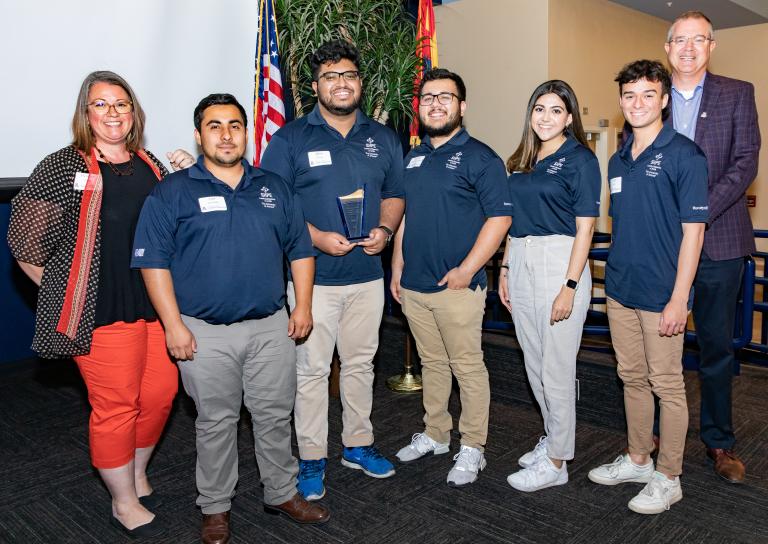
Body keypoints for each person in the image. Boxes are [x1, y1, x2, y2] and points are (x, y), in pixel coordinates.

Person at [131, 94, 329, 543]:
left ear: (246, 132)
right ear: (198, 135)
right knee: (216, 422)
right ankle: (215, 506)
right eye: (215, 125)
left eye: (235, 125)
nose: (226, 134)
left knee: (275, 416)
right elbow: (153, 263)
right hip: (202, 332)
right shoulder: (172, 192)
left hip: (270, 327)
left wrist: (302, 306)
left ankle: (281, 491)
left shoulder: (274, 187)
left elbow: (299, 248)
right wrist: (173, 325)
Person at [7, 70, 194, 538]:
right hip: (101, 312)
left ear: (134, 113)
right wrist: (64, 290)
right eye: (101, 104)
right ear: (85, 113)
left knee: (159, 397)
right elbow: (24, 244)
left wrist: (188, 175)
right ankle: (122, 501)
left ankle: (134, 472)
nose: (113, 112)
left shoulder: (150, 163)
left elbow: (183, 225)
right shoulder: (61, 166)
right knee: (117, 406)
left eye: (122, 103)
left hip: (156, 307)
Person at [260, 40, 404, 499]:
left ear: (360, 83)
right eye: (330, 76)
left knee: (361, 365)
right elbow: (272, 205)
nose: (341, 84)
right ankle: (311, 457)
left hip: (368, 278)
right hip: (312, 281)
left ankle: (358, 445)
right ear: (315, 85)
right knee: (311, 372)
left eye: (349, 76)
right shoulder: (291, 139)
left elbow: (396, 193)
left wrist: (385, 227)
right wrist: (316, 238)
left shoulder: (382, 137)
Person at [588, 60, 708, 515]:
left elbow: (694, 233)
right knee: (631, 378)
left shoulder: (684, 155)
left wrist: (680, 297)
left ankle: (669, 475)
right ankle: (639, 457)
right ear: (620, 102)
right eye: (630, 95)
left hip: (663, 296)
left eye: (648, 95)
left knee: (667, 385)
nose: (638, 103)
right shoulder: (618, 159)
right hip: (621, 289)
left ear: (663, 100)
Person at [390, 68, 511, 487]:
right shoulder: (414, 157)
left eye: (445, 97)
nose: (435, 104)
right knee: (432, 363)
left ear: (462, 106)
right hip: (415, 287)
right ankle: (437, 434)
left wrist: (467, 270)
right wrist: (397, 266)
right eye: (427, 98)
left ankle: (473, 446)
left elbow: (500, 218)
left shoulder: (481, 157)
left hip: (458, 287)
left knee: (468, 368)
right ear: (418, 107)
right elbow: (405, 214)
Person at [664, 10, 761, 483]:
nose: (687, 48)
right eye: (679, 40)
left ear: (711, 46)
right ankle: (659, 433)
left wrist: (697, 211)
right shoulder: (650, 96)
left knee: (717, 347)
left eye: (697, 39)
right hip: (662, 245)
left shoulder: (738, 93)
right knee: (659, 345)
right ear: (667, 48)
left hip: (721, 242)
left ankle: (719, 442)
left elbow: (744, 164)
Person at [498, 80, 601, 492]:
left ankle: (558, 461)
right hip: (521, 258)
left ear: (570, 117)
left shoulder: (580, 159)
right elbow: (511, 219)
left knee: (557, 368)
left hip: (560, 261)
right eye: (539, 109)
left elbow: (586, 227)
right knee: (534, 363)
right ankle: (552, 437)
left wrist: (570, 286)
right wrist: (505, 269)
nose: (545, 117)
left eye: (556, 110)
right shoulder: (524, 159)